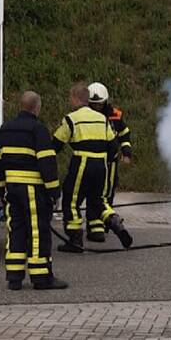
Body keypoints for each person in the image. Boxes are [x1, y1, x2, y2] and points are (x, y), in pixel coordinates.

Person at [0, 91, 68, 290]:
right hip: (33, 190)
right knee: (37, 232)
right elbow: (47, 164)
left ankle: (14, 277)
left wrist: (0, 189)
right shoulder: (38, 130)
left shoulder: (4, 130)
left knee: (15, 229)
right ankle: (41, 277)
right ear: (37, 107)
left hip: (11, 190)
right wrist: (54, 192)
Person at [52, 83, 133, 252]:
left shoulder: (71, 118)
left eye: (70, 98)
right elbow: (113, 146)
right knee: (99, 200)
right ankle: (114, 222)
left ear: (76, 99)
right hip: (102, 166)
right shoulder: (102, 119)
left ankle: (75, 240)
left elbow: (56, 145)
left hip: (82, 163)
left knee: (71, 199)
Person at [87, 82, 132, 220]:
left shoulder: (115, 115)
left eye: (99, 104)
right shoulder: (85, 116)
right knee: (92, 190)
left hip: (110, 161)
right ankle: (94, 223)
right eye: (93, 105)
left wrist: (126, 153)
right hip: (91, 160)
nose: (97, 108)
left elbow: (124, 135)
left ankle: (106, 219)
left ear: (105, 102)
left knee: (108, 191)